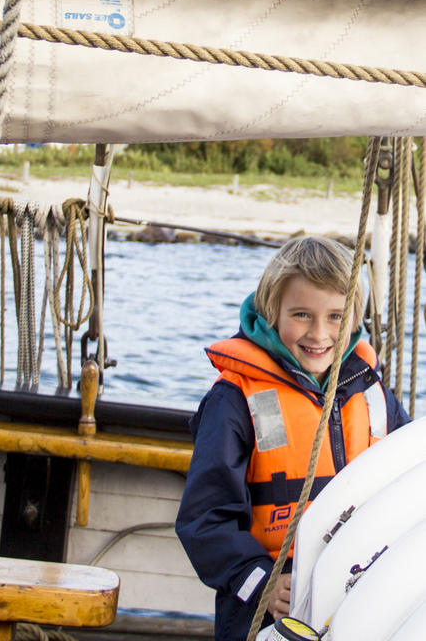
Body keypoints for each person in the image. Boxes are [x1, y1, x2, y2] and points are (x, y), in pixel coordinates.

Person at [175, 235, 410, 641]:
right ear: (272, 311)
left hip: (356, 599)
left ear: (355, 317)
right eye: (302, 314)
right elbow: (203, 519)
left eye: (336, 316)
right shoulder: (234, 400)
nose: (319, 333)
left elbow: (409, 483)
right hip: (264, 610)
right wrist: (259, 584)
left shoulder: (374, 394)